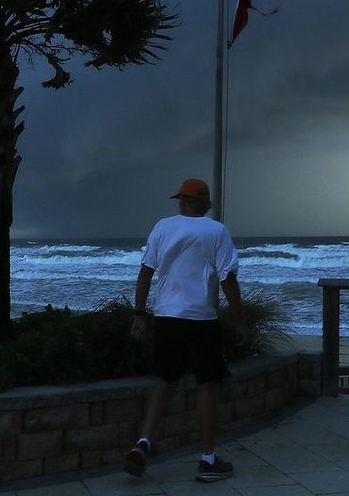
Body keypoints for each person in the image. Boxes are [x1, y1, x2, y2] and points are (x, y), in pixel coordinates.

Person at [125, 178, 248, 483]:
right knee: (208, 384)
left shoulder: (162, 227)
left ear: (182, 201)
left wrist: (140, 314)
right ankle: (207, 459)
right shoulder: (216, 231)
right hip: (201, 320)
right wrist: (240, 320)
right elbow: (227, 280)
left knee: (166, 380)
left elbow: (145, 273)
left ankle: (143, 443)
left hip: (166, 317)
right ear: (205, 203)